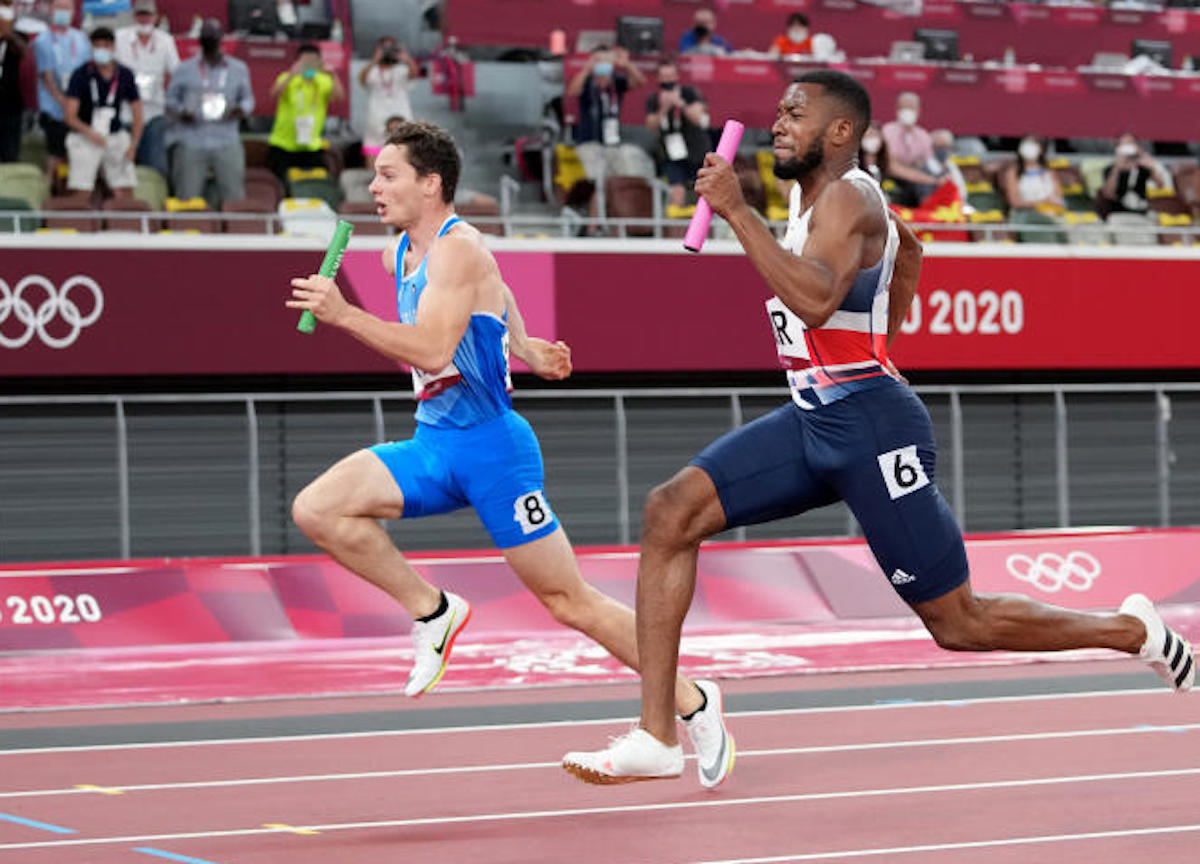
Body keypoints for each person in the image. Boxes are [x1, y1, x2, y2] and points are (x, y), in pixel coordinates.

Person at [561, 69, 1193, 785]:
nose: (779, 123)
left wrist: (738, 213)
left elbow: (815, 302)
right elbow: (913, 252)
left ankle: (1132, 628)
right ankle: (659, 734)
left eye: (796, 114)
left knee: (960, 623)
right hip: (815, 417)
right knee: (669, 511)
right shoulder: (825, 207)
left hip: (871, 428)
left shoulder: (850, 196)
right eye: (778, 111)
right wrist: (880, 346)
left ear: (840, 132)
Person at [285, 120, 732, 784]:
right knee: (318, 509)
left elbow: (437, 348)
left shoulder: (457, 251)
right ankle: (434, 612)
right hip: (434, 445)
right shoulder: (396, 254)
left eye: (388, 174)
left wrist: (345, 315)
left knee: (569, 601)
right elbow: (499, 294)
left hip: (495, 452)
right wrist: (524, 345)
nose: (374, 185)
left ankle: (694, 701)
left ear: (430, 184)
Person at [164, 18, 253, 207]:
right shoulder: (184, 69)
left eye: (213, 36)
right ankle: (185, 232)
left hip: (226, 138)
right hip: (192, 138)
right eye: (206, 37)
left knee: (234, 196)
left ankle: (235, 233)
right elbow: (170, 101)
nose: (210, 40)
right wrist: (181, 112)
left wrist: (241, 109)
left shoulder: (238, 69)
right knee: (187, 198)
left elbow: (248, 99)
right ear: (200, 39)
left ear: (221, 38)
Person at [63, 26, 141, 198]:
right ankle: (82, 222)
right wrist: (89, 132)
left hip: (114, 135)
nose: (101, 50)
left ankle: (123, 222)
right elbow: (69, 116)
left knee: (125, 190)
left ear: (113, 47)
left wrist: (133, 145)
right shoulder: (81, 74)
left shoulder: (125, 74)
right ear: (91, 48)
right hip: (86, 135)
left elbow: (137, 112)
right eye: (97, 46)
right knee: (81, 189)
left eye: (105, 46)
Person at [114, 0, 178, 178]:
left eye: (148, 15)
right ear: (134, 17)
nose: (144, 20)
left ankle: (152, 199)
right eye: (141, 15)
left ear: (155, 18)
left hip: (153, 111)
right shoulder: (120, 38)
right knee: (121, 167)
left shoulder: (166, 41)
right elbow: (108, 70)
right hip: (125, 112)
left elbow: (176, 73)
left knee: (156, 167)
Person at [565, 45, 646, 181]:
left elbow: (640, 82)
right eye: (599, 60)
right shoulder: (587, 81)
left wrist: (627, 65)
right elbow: (572, 91)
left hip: (612, 143)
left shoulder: (616, 82)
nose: (603, 64)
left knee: (619, 178)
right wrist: (587, 69)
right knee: (596, 180)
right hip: (589, 142)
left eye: (606, 60)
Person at [267, 42, 344, 181]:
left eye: (312, 61)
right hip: (284, 144)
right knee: (282, 184)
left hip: (311, 145)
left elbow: (339, 97)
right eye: (305, 61)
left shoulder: (323, 80)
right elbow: (274, 94)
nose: (309, 65)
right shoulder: (287, 78)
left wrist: (333, 75)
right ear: (297, 62)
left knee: (318, 182)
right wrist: (291, 74)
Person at [33, 0, 89, 184]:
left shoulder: (81, 38)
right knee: (55, 154)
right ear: (51, 9)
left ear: (74, 11)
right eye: (59, 7)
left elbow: (87, 73)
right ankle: (49, 191)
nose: (63, 12)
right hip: (55, 108)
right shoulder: (42, 40)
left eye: (67, 8)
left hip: (79, 107)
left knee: (80, 155)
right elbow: (47, 79)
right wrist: (66, 106)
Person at [643, 59, 707, 209]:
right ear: (658, 78)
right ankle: (676, 226)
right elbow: (651, 125)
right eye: (664, 76)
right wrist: (664, 108)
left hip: (695, 148)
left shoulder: (689, 92)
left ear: (677, 76)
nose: (668, 80)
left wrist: (680, 103)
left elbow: (698, 118)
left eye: (671, 75)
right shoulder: (654, 98)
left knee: (702, 189)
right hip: (671, 151)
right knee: (676, 190)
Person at [359, 35, 419, 170]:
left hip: (400, 119)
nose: (387, 52)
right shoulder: (372, 71)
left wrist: (407, 58)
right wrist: (375, 60)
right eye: (384, 48)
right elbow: (362, 79)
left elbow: (414, 74)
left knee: (403, 155)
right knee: (373, 153)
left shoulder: (401, 70)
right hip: (375, 121)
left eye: (390, 48)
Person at [880, 91, 939, 206]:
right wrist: (926, 179)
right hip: (891, 177)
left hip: (916, 179)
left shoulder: (923, 135)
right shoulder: (887, 131)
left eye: (911, 108)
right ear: (897, 110)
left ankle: (928, 214)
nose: (907, 111)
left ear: (918, 111)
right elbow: (891, 166)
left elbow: (930, 163)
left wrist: (940, 175)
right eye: (904, 107)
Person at [1098, 132, 1171, 217]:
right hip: (1117, 214)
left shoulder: (1143, 168)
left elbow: (1160, 185)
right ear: (1118, 148)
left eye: (1130, 143)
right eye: (1124, 145)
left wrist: (1150, 165)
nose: (1128, 148)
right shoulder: (1110, 169)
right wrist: (1117, 169)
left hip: (1141, 213)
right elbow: (1108, 194)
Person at [1002, 134, 1063, 212]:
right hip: (1024, 214)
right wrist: (1039, 203)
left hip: (1049, 212)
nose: (1029, 147)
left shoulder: (1050, 172)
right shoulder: (1013, 173)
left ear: (1041, 149)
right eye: (1027, 143)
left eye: (1033, 143)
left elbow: (1058, 199)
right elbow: (1014, 202)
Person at [0, 1, 27, 163]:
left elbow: (24, 52)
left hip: (11, 106)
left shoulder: (17, 37)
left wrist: (8, 34)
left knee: (10, 154)